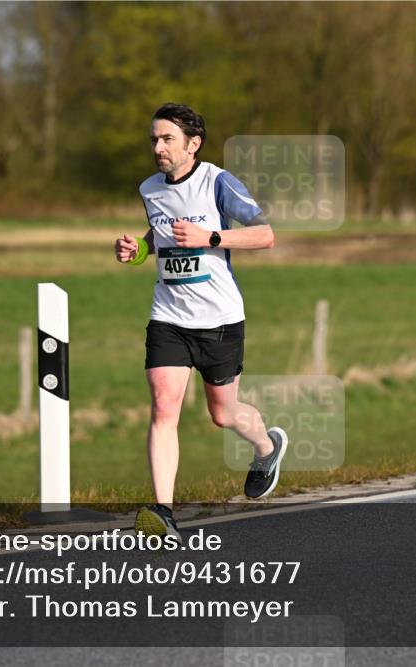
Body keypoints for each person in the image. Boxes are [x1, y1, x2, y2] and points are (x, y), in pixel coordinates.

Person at [115, 103, 287, 539]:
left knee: (223, 414)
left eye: (167, 139)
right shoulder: (150, 188)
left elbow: (265, 235)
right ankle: (163, 513)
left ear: (193, 144)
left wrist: (213, 236)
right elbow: (161, 236)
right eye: (154, 139)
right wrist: (138, 249)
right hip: (168, 316)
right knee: (163, 406)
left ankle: (267, 447)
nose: (157, 147)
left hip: (220, 318)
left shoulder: (217, 182)